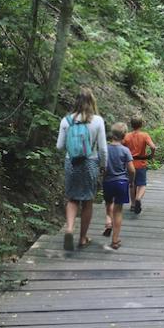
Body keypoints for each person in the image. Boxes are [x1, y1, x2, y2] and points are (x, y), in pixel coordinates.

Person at [56, 88, 107, 251]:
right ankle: (83, 238)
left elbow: (59, 146)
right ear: (92, 102)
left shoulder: (66, 121)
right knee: (87, 201)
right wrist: (103, 165)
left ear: (75, 101)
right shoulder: (98, 121)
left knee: (72, 198)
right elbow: (103, 149)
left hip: (71, 163)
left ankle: (69, 228)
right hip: (90, 163)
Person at [102, 122, 135, 250]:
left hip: (108, 181)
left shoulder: (106, 149)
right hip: (121, 182)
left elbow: (103, 167)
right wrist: (131, 181)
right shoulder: (125, 150)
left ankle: (108, 220)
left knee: (108, 203)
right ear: (124, 135)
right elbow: (131, 170)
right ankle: (115, 240)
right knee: (118, 210)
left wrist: (104, 177)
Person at [123, 115, 156, 214]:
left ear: (131, 124)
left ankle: (133, 205)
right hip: (141, 164)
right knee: (142, 184)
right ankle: (138, 198)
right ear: (141, 124)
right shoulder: (144, 135)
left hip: (130, 164)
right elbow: (153, 147)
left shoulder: (126, 136)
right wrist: (151, 155)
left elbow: (121, 147)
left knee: (132, 184)